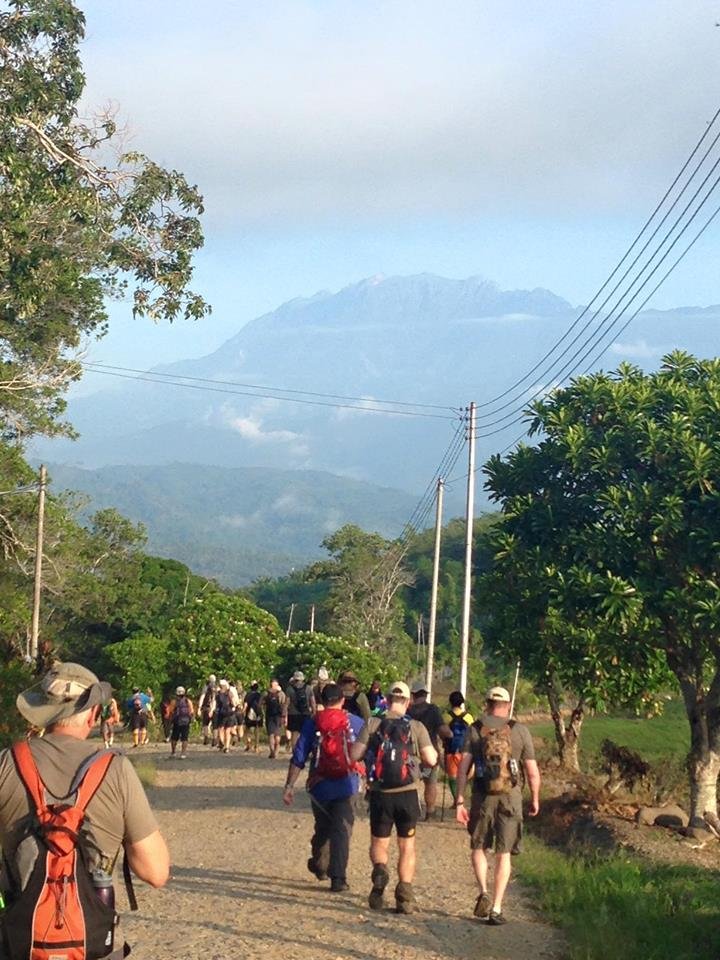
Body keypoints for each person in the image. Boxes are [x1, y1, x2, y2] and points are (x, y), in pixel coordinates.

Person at [0, 662, 169, 959]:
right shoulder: (116, 770)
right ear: (93, 714)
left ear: (42, 713)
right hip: (93, 943)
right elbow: (155, 872)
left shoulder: (6, 764)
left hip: (17, 942)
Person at [455, 686, 541, 926]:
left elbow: (463, 768)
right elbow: (532, 771)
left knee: (479, 846)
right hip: (510, 798)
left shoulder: (475, 729)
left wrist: (460, 799)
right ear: (508, 704)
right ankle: (496, 907)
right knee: (504, 853)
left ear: (487, 703)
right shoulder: (520, 731)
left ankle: (483, 890)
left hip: (482, 796)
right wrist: (534, 798)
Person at [351, 681, 438, 914]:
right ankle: (404, 893)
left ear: (386, 700)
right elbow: (431, 759)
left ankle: (380, 872)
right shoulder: (416, 727)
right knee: (406, 845)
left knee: (379, 842)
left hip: (380, 794)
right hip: (408, 794)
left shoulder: (372, 723)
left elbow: (354, 754)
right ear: (408, 702)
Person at [282, 682, 363, 893]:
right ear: (343, 700)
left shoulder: (312, 723)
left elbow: (299, 756)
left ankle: (320, 864)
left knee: (323, 826)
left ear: (322, 701)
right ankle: (338, 879)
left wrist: (289, 786)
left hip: (319, 786)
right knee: (342, 831)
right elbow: (368, 754)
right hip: (348, 784)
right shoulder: (355, 722)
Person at [408, 680, 445, 820]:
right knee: (430, 783)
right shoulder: (433, 710)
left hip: (411, 753)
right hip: (430, 753)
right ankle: (430, 812)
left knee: (411, 782)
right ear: (425, 694)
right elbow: (443, 730)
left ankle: (411, 810)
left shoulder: (408, 710)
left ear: (414, 695)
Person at [442, 690, 474, 803]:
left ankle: (456, 800)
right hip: (466, 751)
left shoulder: (446, 717)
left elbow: (442, 733)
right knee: (466, 775)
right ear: (462, 702)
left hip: (451, 750)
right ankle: (464, 798)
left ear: (450, 702)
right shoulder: (468, 717)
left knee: (452, 777)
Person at [284, 670, 315, 749]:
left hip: (293, 714)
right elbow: (312, 702)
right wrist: (314, 712)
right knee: (305, 733)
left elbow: (286, 703)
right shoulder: (308, 688)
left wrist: (284, 714)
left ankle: (295, 751)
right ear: (303, 678)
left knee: (294, 733)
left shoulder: (289, 689)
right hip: (306, 713)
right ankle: (303, 751)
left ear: (294, 679)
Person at [262, 679, 286, 759]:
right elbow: (284, 706)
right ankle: (276, 752)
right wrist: (284, 716)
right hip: (278, 716)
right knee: (277, 734)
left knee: (271, 735)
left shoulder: (266, 693)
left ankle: (272, 751)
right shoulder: (281, 694)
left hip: (269, 715)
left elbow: (260, 704)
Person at [169, 685, 195, 758]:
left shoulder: (174, 701)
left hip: (177, 722)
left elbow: (170, 711)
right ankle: (183, 753)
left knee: (174, 737)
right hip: (186, 722)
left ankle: (173, 752)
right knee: (184, 738)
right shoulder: (188, 701)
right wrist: (191, 718)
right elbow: (191, 711)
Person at [214, 679, 238, 754]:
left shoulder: (217, 694)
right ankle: (227, 747)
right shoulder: (229, 693)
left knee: (221, 729)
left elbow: (215, 704)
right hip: (230, 713)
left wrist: (212, 711)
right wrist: (234, 707)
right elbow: (234, 703)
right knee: (228, 730)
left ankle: (222, 743)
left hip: (221, 714)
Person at [198, 674, 217, 746]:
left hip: (206, 708)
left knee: (205, 723)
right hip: (214, 708)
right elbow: (214, 699)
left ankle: (206, 738)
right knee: (215, 725)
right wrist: (212, 709)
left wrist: (199, 707)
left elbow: (202, 697)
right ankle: (215, 739)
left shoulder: (205, 687)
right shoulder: (216, 688)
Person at [243, 680, 263, 752]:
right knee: (257, 730)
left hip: (249, 713)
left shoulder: (248, 694)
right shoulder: (259, 694)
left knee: (248, 730)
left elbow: (245, 705)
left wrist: (243, 712)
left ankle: (249, 744)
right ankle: (256, 746)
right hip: (258, 713)